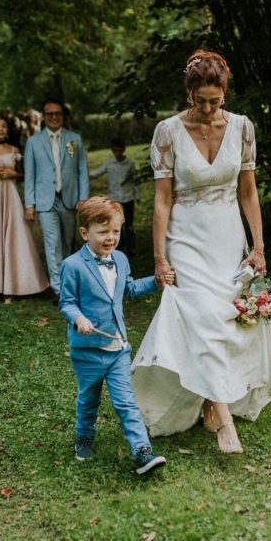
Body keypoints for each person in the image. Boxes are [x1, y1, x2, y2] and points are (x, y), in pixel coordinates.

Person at [131, 49, 271, 454]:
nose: (209, 108)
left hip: (227, 235)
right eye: (201, 101)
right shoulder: (168, 131)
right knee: (198, 316)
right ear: (189, 93)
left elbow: (248, 191)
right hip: (185, 235)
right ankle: (222, 417)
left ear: (225, 93)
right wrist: (160, 256)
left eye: (215, 101)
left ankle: (213, 405)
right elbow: (162, 200)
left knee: (225, 320)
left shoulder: (242, 127)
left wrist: (259, 247)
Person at [58, 196, 171, 475]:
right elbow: (66, 302)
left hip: (118, 346)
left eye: (116, 231)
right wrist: (79, 319)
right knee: (89, 399)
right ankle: (84, 436)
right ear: (85, 233)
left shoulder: (120, 259)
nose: (111, 238)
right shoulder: (73, 266)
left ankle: (142, 451)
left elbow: (129, 289)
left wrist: (157, 282)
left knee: (126, 402)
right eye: (103, 232)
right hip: (87, 349)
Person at [0, 114, 49, 297]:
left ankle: (18, 284)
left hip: (10, 195)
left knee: (15, 233)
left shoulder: (14, 150)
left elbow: (24, 175)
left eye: (4, 126)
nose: (0, 129)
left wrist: (13, 174)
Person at [24, 99, 90, 297]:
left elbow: (82, 170)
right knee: (52, 243)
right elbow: (30, 174)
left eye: (57, 114)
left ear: (63, 116)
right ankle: (59, 289)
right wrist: (29, 203)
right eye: (50, 114)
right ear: (43, 117)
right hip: (46, 201)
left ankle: (70, 282)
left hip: (69, 198)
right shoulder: (33, 142)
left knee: (68, 241)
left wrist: (83, 197)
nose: (54, 117)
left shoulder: (74, 139)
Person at [89, 137, 139, 255]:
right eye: (115, 150)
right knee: (116, 224)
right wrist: (83, 175)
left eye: (120, 150)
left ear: (124, 149)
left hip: (127, 198)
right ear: (112, 150)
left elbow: (136, 179)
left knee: (129, 224)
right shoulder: (109, 164)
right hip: (115, 199)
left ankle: (131, 248)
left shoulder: (130, 163)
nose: (117, 153)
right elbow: (96, 173)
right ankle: (119, 248)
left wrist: (137, 195)